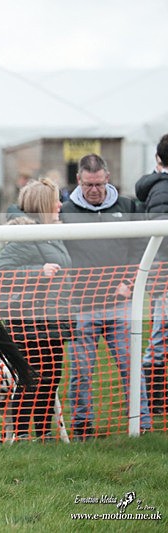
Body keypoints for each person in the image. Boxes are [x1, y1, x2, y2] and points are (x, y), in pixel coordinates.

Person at [61, 153, 151, 440]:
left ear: (108, 178)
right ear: (78, 181)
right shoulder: (65, 211)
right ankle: (82, 427)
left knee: (130, 367)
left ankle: (143, 424)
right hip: (82, 307)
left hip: (120, 305)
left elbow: (141, 248)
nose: (94, 190)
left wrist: (130, 281)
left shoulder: (127, 206)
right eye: (88, 185)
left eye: (99, 184)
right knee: (82, 373)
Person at [0, 177, 72, 441]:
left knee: (51, 380)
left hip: (54, 322)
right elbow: (1, 272)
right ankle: (20, 434)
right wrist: (38, 272)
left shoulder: (53, 233)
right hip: (28, 323)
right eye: (55, 201)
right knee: (32, 380)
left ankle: (43, 434)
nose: (60, 205)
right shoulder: (25, 235)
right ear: (43, 205)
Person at [135, 133, 168, 415]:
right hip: (163, 270)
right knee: (160, 332)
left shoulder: (155, 186)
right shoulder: (161, 190)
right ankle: (155, 401)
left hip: (158, 269)